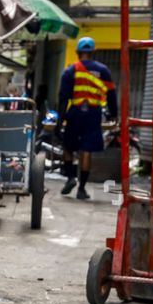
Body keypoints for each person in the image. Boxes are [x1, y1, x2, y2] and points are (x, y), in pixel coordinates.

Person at [57, 36, 118, 200]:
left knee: (68, 147)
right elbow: (111, 95)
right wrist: (114, 115)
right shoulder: (103, 70)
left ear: (77, 52)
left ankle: (71, 178)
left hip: (76, 112)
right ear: (92, 52)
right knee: (86, 151)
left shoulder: (70, 71)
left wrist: (59, 121)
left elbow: (63, 98)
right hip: (93, 113)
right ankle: (81, 189)